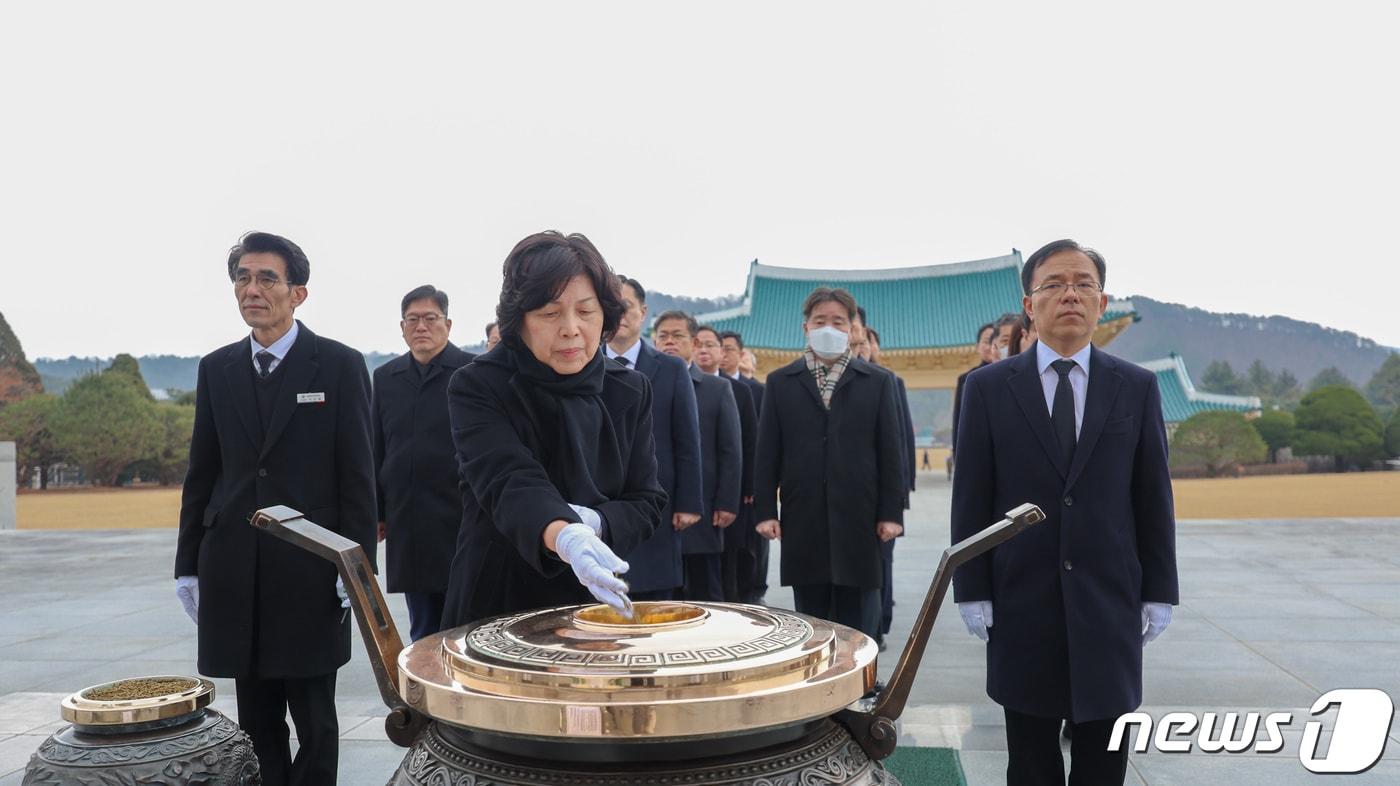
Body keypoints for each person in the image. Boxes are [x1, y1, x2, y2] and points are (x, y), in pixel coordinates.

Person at [951, 239, 1178, 785]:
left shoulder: (1137, 387)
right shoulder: (988, 388)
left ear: (1102, 303)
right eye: (1054, 284)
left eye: (1084, 283)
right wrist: (972, 586)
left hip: (1108, 598)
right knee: (1030, 757)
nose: (1069, 294)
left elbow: (1152, 497)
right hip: (1020, 596)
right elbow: (973, 495)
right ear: (1030, 305)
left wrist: (1159, 589)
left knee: (1104, 756)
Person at [174, 231, 377, 785]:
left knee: (315, 719)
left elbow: (359, 476)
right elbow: (203, 472)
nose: (252, 289)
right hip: (235, 568)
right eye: (242, 276)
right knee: (255, 719)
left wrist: (357, 568)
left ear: (299, 293)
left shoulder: (337, 365)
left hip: (311, 569)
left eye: (267, 278)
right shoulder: (217, 369)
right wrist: (187, 563)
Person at [439, 232, 666, 627]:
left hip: (598, 598)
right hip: (501, 597)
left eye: (586, 311)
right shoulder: (478, 385)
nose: (571, 328)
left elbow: (646, 499)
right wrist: (565, 534)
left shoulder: (629, 388)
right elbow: (508, 480)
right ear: (519, 320)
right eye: (549, 313)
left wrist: (595, 525)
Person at [754, 287, 905, 640]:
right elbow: (767, 452)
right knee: (811, 621)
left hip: (861, 518)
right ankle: (818, 687)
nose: (829, 327)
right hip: (803, 517)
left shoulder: (877, 382)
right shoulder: (780, 382)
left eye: (838, 321)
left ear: (853, 328)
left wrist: (891, 513)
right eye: (820, 320)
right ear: (806, 327)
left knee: (861, 619)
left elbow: (891, 452)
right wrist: (764, 510)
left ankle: (861, 688)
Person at [372, 285, 474, 641]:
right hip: (409, 520)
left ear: (448, 323)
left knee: (464, 626)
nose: (421, 327)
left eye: (430, 319)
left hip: (461, 518)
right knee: (423, 630)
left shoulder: (471, 372)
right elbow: (377, 446)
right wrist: (379, 510)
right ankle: (424, 696)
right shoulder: (386, 378)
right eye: (412, 320)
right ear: (402, 327)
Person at [605, 276, 704, 601]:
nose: (618, 314)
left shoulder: (671, 368)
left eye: (626, 306)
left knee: (655, 605)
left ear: (643, 312)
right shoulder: (582, 363)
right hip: (600, 502)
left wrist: (689, 503)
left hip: (657, 502)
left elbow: (687, 440)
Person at [652, 310, 742, 602]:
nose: (670, 342)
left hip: (704, 509)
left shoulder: (717, 388)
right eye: (663, 336)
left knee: (707, 594)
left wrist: (727, 502)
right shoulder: (643, 383)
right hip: (658, 510)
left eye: (677, 336)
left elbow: (730, 450)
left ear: (692, 343)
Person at [694, 325, 758, 603]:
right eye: (699, 344)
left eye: (711, 345)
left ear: (722, 352)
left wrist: (746, 489)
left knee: (731, 557)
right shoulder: (681, 383)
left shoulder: (739, 390)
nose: (704, 350)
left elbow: (744, 445)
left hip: (730, 493)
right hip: (697, 496)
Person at [951, 322, 997, 464]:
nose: (990, 346)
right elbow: (959, 421)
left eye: (995, 340)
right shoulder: (967, 379)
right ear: (977, 346)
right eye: (985, 341)